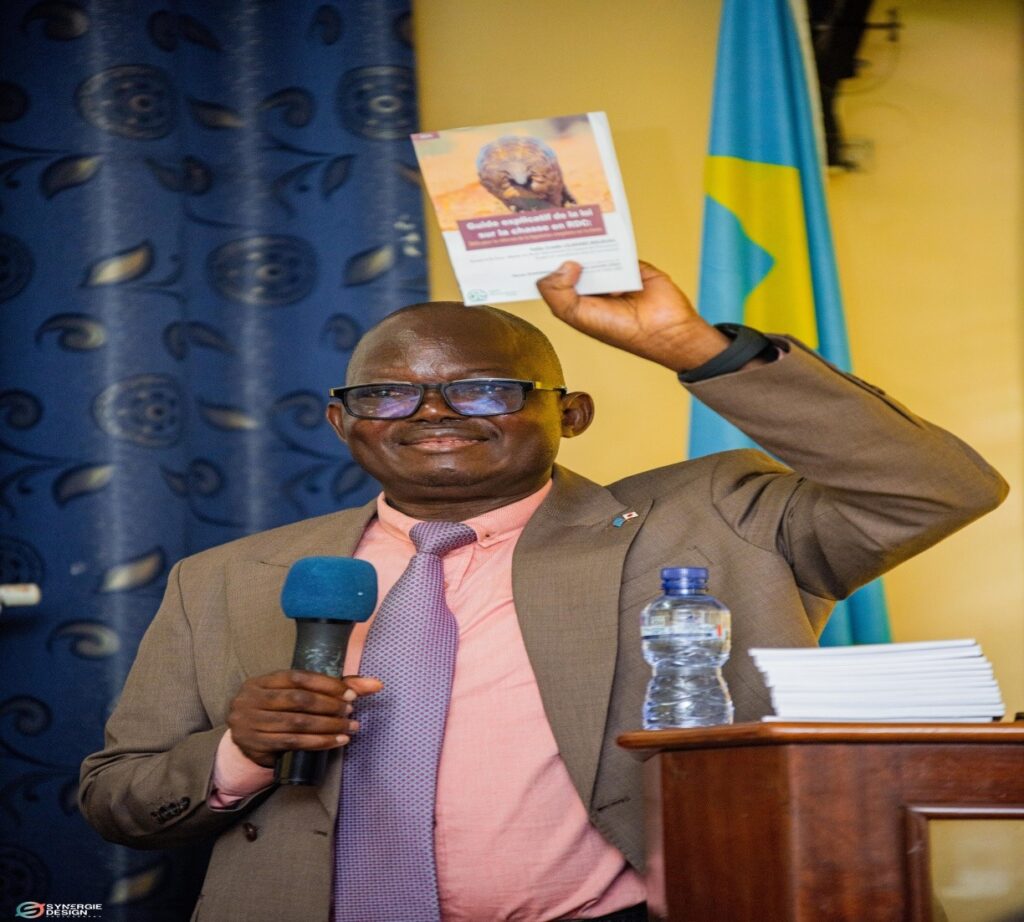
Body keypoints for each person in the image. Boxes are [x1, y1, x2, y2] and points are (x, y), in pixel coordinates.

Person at [79, 261, 1006, 922]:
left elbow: (937, 489)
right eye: (389, 395)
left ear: (571, 413)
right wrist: (238, 753)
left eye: (484, 391)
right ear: (342, 422)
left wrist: (692, 346)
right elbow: (118, 799)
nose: (433, 413)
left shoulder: (716, 518)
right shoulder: (223, 579)